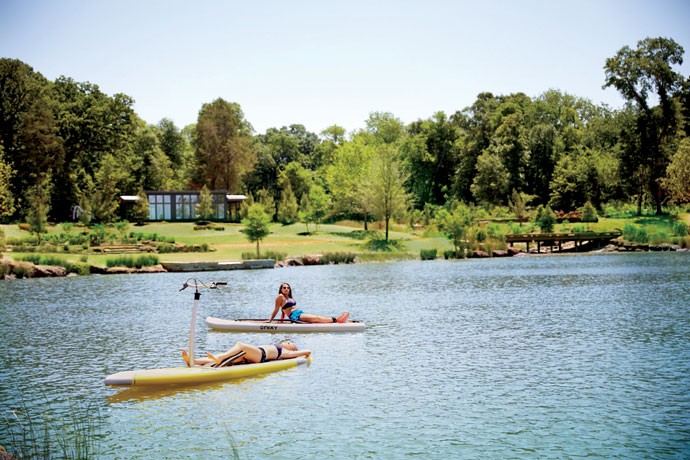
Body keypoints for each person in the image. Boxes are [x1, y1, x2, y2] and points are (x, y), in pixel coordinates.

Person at [182, 339, 310, 367]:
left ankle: (218, 358)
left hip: (260, 355)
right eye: (287, 341)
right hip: (252, 355)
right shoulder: (278, 347)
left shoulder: (285, 352)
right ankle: (194, 362)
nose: (287, 342)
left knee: (239, 345)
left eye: (290, 343)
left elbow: (307, 351)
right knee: (230, 355)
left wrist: (304, 353)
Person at [269, 282, 350, 323]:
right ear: (281, 289)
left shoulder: (289, 297)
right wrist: (270, 320)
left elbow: (283, 309)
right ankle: (336, 320)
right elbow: (276, 309)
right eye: (284, 287)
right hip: (294, 316)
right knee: (316, 318)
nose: (286, 289)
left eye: (288, 287)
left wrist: (282, 320)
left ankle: (335, 320)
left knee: (316, 317)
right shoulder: (280, 296)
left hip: (299, 313)